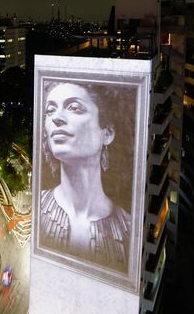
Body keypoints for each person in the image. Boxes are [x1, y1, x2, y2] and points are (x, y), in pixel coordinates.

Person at [38, 79, 133, 272]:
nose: (57, 118)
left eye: (74, 108)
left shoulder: (129, 230)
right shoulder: (35, 209)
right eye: (50, 110)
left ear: (107, 133)